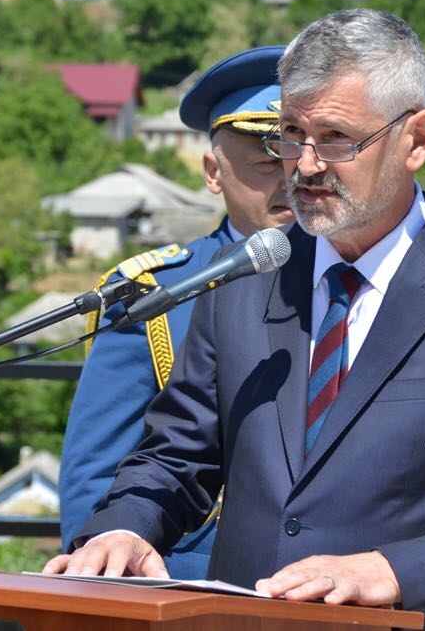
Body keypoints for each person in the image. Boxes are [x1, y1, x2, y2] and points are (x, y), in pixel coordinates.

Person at [45, 9, 425, 631]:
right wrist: (125, 526)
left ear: (416, 139)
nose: (304, 165)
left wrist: (393, 572)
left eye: (335, 138)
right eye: (290, 135)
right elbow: (176, 457)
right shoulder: (245, 278)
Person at [57, 45, 294, 577]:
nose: (290, 182)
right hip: (190, 584)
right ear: (214, 172)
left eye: (301, 160)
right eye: (265, 164)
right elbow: (96, 480)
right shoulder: (155, 292)